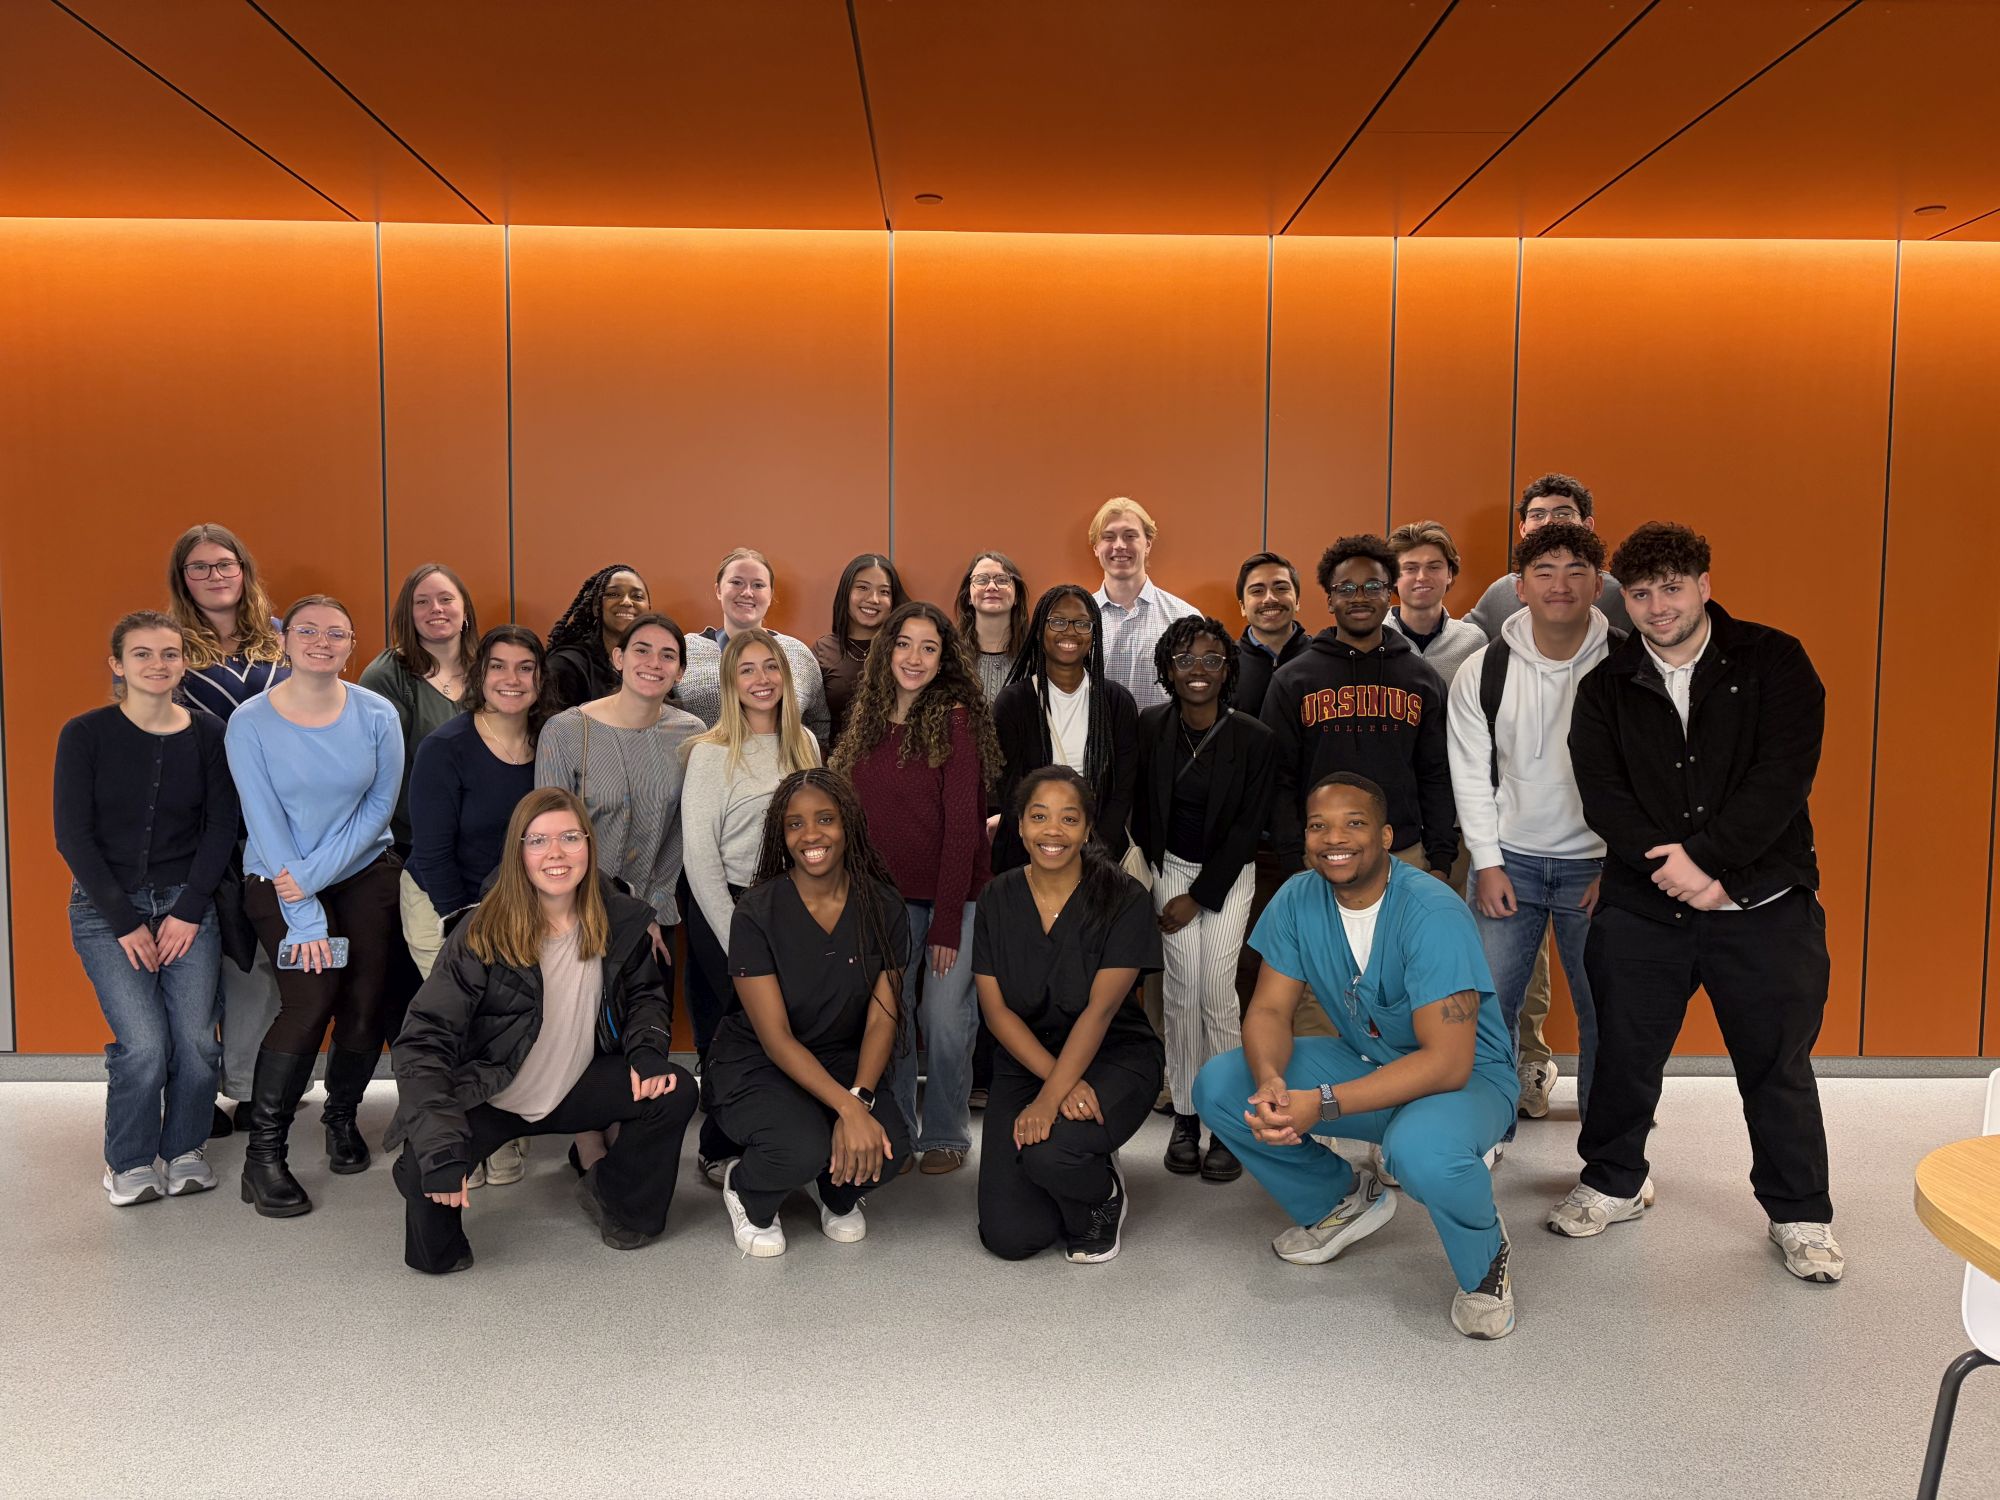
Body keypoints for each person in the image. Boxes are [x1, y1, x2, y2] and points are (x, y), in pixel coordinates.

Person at [1551, 522, 1841, 1283]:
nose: (1656, 607)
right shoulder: (1605, 685)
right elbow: (1605, 798)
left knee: (1776, 1064)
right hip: (1647, 907)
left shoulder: (1774, 660)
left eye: (1671, 588)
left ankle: (1800, 1213)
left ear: (1704, 585)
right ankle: (1611, 1182)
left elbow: (1782, 778)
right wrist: (1673, 871)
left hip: (1764, 902)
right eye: (1641, 594)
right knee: (1622, 1051)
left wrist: (1712, 867)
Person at [1193, 774, 1520, 1339]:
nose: (1333, 838)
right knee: (1224, 1083)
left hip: (1464, 1082)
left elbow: (1447, 1063)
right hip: (1366, 1061)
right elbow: (1270, 1011)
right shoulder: (1299, 897)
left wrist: (1320, 1104)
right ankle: (1339, 1201)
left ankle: (1485, 1260)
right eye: (1319, 825)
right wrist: (1272, 1080)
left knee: (1420, 1149)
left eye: (1353, 824)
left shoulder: (1431, 912)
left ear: (1387, 835)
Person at [388, 788, 698, 1272]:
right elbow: (423, 1040)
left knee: (673, 1091)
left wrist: (648, 1053)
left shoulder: (619, 918)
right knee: (431, 1223)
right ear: (519, 853)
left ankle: (612, 1195)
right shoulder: (480, 932)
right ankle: (431, 1179)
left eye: (570, 838)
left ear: (589, 846)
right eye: (538, 841)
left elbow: (645, 998)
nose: (555, 853)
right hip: (490, 1095)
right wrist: (439, 1149)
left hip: (574, 1086)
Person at [224, 595, 404, 1217]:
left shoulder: (377, 713)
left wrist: (317, 874)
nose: (322, 642)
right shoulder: (249, 722)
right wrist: (301, 903)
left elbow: (379, 808)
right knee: (312, 992)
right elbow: (262, 817)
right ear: (286, 640)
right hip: (275, 876)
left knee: (365, 999)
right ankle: (263, 1157)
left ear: (352, 646)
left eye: (337, 634)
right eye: (309, 631)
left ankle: (342, 1118)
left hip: (360, 871)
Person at [55, 611, 237, 1204]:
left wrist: (188, 909)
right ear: (117, 664)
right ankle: (129, 1161)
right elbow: (72, 836)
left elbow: (220, 828)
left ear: (183, 661)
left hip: (189, 906)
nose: (157, 665)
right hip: (108, 910)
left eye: (169, 653)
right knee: (145, 1045)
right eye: (142, 654)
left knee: (197, 1041)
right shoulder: (85, 734)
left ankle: (184, 1149)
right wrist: (127, 922)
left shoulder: (210, 734)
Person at [1447, 522, 1615, 1138]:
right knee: (1487, 1011)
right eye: (1544, 571)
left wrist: (1618, 866)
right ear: (1519, 588)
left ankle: (1611, 1157)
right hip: (1509, 865)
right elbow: (1470, 772)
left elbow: (1651, 779)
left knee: (1610, 1016)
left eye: (1576, 570)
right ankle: (1487, 1133)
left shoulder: (1628, 665)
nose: (1560, 584)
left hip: (1598, 872)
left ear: (1599, 584)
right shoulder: (1483, 670)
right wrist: (1486, 861)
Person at [705, 769, 912, 1257]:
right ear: (782, 833)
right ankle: (748, 1189)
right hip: (759, 1062)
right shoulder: (756, 911)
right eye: (795, 824)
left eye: (825, 819)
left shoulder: (884, 905)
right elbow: (776, 1038)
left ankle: (834, 1189)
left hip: (840, 1057)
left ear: (849, 826)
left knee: (892, 1147)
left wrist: (859, 1098)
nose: (811, 835)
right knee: (799, 1147)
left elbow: (884, 1016)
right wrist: (846, 1108)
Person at [833, 601, 1001, 1176]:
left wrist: (949, 920)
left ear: (944, 659)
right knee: (893, 1016)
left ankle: (948, 1131)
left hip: (954, 898)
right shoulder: (867, 720)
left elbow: (962, 832)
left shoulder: (955, 719)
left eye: (929, 648)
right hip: (885, 901)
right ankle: (901, 1129)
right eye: (904, 644)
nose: (915, 657)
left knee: (947, 1019)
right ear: (886, 650)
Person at [974, 766, 1164, 1262]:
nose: (1052, 831)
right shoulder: (997, 896)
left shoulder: (1125, 897)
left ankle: (1101, 1194)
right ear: (1019, 826)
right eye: (1039, 817)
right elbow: (995, 1012)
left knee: (1051, 1152)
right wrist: (1055, 1083)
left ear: (1086, 829)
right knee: (1011, 1238)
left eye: (1068, 818)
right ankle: (1073, 1160)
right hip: (1026, 1059)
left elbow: (1100, 1013)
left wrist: (1048, 1102)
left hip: (1112, 1054)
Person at [406, 625, 548, 1191]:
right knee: (463, 1027)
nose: (511, 679)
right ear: (478, 676)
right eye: (498, 667)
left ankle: (502, 1134)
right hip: (444, 902)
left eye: (524, 668)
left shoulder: (552, 743)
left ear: (540, 678)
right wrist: (467, 927)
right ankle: (452, 1140)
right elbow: (433, 852)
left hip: (520, 908)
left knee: (511, 1026)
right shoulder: (447, 748)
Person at [1132, 616, 1274, 1182]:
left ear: (1228, 669)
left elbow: (1249, 828)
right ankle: (1187, 1117)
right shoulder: (1148, 727)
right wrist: (1159, 880)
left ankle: (1228, 1121)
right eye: (1186, 659)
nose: (1198, 670)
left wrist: (1198, 896)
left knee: (1216, 992)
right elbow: (1141, 810)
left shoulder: (1254, 738)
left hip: (1227, 876)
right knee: (1178, 994)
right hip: (1167, 870)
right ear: (1169, 668)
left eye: (1212, 659)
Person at [166, 523, 286, 1131]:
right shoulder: (170, 648)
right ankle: (194, 1090)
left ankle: (244, 1088)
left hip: (274, 826)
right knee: (203, 959)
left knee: (257, 964)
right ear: (182, 579)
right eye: (199, 567)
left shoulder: (282, 642)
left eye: (225, 564)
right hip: (199, 824)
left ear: (244, 570)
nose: (215, 576)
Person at [1261, 535, 1455, 882]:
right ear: (1330, 598)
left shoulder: (1421, 680)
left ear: (1389, 593)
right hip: (1320, 854)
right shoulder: (1293, 680)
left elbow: (1436, 774)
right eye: (1347, 588)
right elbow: (1278, 779)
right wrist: (1292, 858)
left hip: (1405, 854)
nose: (1360, 597)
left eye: (1373, 586)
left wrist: (1440, 859)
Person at [681, 628, 824, 1073]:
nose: (761, 679)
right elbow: (700, 857)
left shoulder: (806, 744)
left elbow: (818, 836)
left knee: (791, 1029)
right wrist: (735, 940)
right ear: (731, 683)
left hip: (791, 904)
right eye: (747, 670)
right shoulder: (710, 753)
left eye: (770, 666)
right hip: (729, 904)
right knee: (740, 1032)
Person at [535, 612, 702, 980]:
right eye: (641, 650)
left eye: (668, 656)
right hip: (574, 917)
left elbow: (680, 834)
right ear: (618, 658)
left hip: (656, 917)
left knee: (648, 1033)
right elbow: (552, 839)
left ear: (680, 673)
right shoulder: (566, 732)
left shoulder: (691, 735)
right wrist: (615, 915)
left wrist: (648, 913)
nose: (653, 663)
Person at [990, 585, 1139, 874]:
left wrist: (1093, 847)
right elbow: (1009, 788)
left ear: (1093, 632)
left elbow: (1123, 787)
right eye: (1057, 621)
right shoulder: (1014, 702)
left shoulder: (1116, 702)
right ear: (1039, 630)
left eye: (1082, 623)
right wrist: (1046, 843)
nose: (1069, 631)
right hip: (1027, 856)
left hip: (1098, 857)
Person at [358, 562, 478, 856]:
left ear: (464, 610)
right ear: (408, 615)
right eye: (421, 602)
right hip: (412, 842)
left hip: (486, 834)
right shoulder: (386, 677)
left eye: (446, 599)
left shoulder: (491, 669)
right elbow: (385, 772)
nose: (435, 608)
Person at [678, 547, 832, 739]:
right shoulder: (685, 649)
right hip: (706, 766)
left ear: (771, 595)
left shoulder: (798, 654)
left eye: (758, 585)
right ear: (718, 590)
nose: (747, 593)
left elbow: (820, 726)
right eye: (736, 582)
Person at [1463, 473, 1630, 639]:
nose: (1549, 522)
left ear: (1587, 525)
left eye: (1563, 513)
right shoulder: (1500, 593)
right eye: (1537, 515)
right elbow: (1463, 642)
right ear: (1523, 529)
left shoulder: (1617, 594)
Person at [1090, 498, 1198, 711]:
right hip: (1093, 744)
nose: (1119, 545)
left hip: (1161, 743)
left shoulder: (1184, 618)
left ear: (1148, 544)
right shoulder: (1080, 619)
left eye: (1130, 536)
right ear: (1095, 548)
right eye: (1108, 537)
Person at [812, 552, 907, 746]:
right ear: (846, 593)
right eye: (863, 588)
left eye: (884, 592)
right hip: (838, 769)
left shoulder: (906, 649)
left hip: (899, 766)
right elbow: (811, 724)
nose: (873, 599)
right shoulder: (823, 650)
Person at [1386, 520, 1486, 692]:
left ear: (1449, 573)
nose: (1422, 576)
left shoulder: (1474, 642)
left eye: (1433, 567)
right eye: (1410, 568)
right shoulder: (1371, 638)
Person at [543, 564, 652, 712]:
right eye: (613, 594)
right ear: (596, 607)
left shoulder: (656, 664)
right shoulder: (566, 665)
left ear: (648, 609)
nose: (627, 602)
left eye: (637, 596)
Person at [1232, 551, 1308, 720]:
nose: (1270, 598)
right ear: (1242, 606)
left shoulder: (1321, 659)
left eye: (1281, 588)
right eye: (1257, 591)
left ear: (1297, 601)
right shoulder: (1224, 665)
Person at [955, 551, 1029, 703]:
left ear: (1017, 597)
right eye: (981, 580)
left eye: (1002, 580)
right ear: (968, 596)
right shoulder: (951, 656)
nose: (991, 587)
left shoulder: (1035, 657)